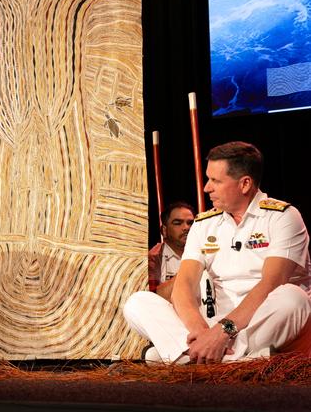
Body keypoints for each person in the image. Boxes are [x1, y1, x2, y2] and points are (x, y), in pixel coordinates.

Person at [124, 141, 311, 363]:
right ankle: (235, 361)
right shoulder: (204, 224)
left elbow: (271, 284)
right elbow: (183, 285)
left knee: (292, 298)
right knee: (137, 302)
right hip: (210, 327)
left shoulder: (282, 217)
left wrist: (223, 331)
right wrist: (202, 333)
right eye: (207, 179)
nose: (206, 188)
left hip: (260, 323)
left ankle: (184, 358)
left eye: (215, 180)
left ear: (245, 184)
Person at [148, 202, 195, 301]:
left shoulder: (206, 253)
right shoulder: (153, 258)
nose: (186, 228)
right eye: (178, 223)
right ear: (164, 231)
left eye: (190, 223)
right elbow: (150, 298)